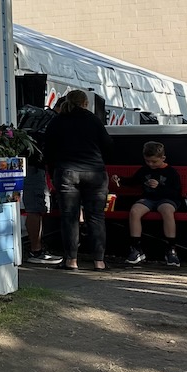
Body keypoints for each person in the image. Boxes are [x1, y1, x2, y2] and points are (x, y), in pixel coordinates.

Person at [43, 89, 114, 271]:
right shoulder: (93, 120)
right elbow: (108, 145)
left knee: (70, 217)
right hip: (95, 172)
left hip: (67, 172)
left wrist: (53, 172)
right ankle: (99, 261)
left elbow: (48, 150)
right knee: (96, 217)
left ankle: (71, 260)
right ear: (85, 103)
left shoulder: (57, 121)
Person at [119, 141, 185, 268]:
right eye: (147, 161)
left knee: (167, 211)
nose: (150, 164)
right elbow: (133, 181)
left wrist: (159, 186)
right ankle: (136, 248)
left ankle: (171, 249)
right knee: (135, 211)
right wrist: (120, 180)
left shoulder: (171, 172)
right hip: (148, 198)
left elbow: (176, 192)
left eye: (154, 162)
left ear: (163, 158)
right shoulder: (144, 170)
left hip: (167, 199)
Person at [22, 141, 63, 265]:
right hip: (34, 164)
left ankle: (36, 248)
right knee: (35, 208)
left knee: (37, 207)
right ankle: (36, 250)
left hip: (32, 163)